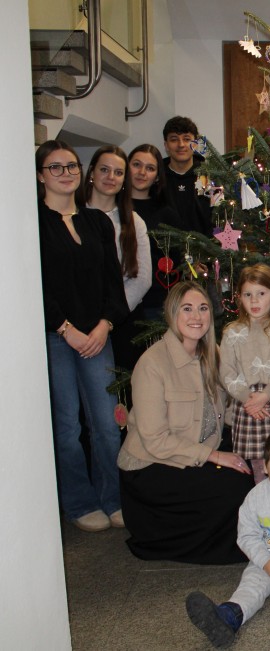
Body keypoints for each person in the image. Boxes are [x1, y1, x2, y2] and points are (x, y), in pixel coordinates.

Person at [117, 281, 254, 564]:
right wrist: (215, 456)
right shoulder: (152, 363)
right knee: (233, 486)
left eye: (203, 308)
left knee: (251, 463)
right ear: (172, 314)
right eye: (187, 309)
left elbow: (225, 409)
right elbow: (155, 440)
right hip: (150, 464)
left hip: (197, 445)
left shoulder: (211, 354)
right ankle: (218, 547)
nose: (196, 317)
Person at [36, 140, 129, 533]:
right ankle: (78, 502)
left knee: (107, 424)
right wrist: (66, 330)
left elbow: (113, 283)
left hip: (98, 335)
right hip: (58, 337)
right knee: (66, 426)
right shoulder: (32, 223)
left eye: (71, 166)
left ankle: (112, 499)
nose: (66, 173)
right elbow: (39, 288)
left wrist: (105, 324)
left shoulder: (97, 222)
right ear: (41, 175)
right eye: (55, 167)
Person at [185, 428, 270, 650]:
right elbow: (247, 536)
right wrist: (263, 561)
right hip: (266, 557)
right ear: (266, 466)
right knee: (250, 589)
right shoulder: (255, 497)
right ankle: (226, 618)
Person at [221, 263, 270, 485]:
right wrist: (249, 399)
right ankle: (263, 504)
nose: (254, 301)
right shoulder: (232, 332)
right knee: (259, 463)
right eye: (248, 294)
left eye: (261, 294)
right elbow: (227, 372)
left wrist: (265, 396)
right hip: (247, 403)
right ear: (240, 298)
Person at [84, 145, 151, 371]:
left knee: (128, 395)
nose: (111, 177)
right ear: (91, 173)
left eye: (118, 172)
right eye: (104, 169)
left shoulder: (134, 221)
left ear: (124, 180)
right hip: (83, 321)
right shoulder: (73, 217)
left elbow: (142, 279)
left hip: (125, 318)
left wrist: (109, 317)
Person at [127, 143, 182, 319]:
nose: (142, 172)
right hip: (118, 302)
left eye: (150, 168)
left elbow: (178, 260)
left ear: (157, 176)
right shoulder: (112, 207)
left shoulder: (167, 214)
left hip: (156, 304)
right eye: (136, 165)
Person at [162, 116, 213, 236]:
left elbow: (220, 217)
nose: (181, 145)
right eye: (174, 139)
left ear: (195, 144)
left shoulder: (210, 177)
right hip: (163, 252)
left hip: (204, 251)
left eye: (186, 139)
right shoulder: (156, 177)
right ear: (166, 145)